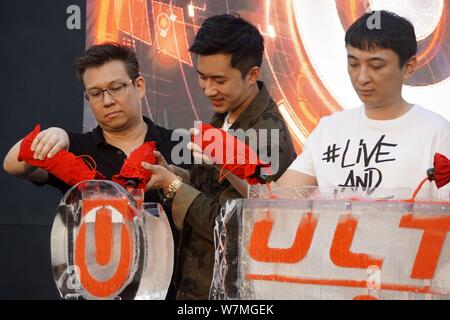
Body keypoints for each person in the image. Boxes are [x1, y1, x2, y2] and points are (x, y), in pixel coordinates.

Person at [142, 14, 297, 299]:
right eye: (202, 77)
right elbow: (211, 187)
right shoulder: (225, 112)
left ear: (252, 75)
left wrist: (171, 186)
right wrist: (173, 174)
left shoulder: (266, 136)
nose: (208, 89)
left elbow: (229, 224)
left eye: (219, 80)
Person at [274, 10, 449, 197]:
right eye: (354, 64)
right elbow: (278, 199)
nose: (362, 78)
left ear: (408, 67)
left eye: (376, 66)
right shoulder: (329, 129)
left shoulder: (436, 133)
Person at [3, 43, 186, 204]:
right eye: (96, 93)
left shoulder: (179, 144)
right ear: (87, 99)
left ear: (139, 86)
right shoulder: (74, 148)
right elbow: (13, 164)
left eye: (115, 88)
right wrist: (56, 134)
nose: (107, 101)